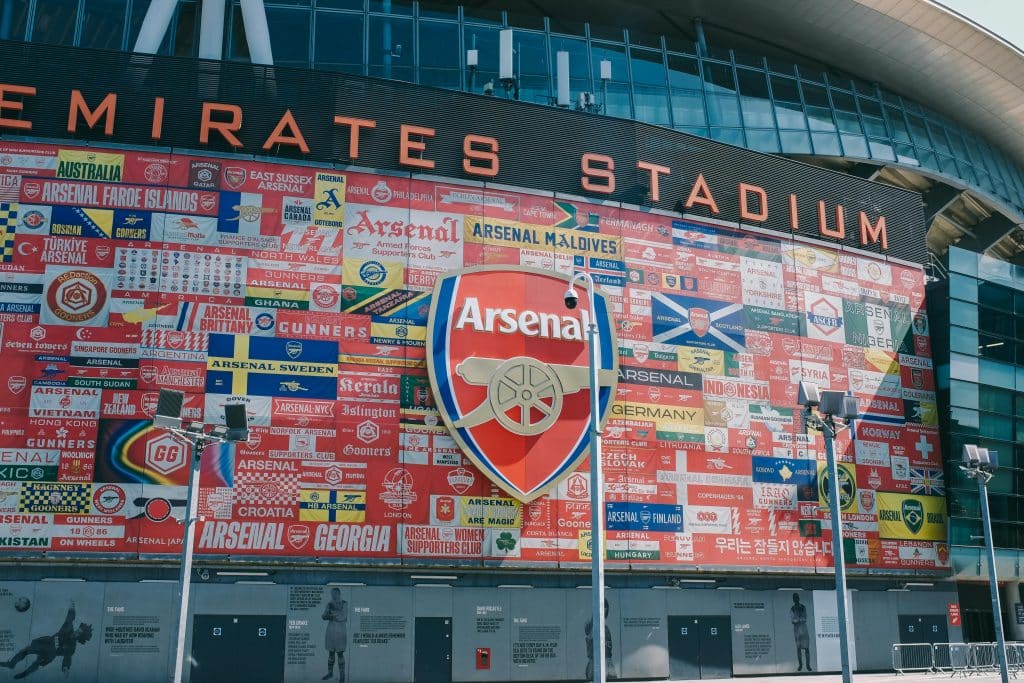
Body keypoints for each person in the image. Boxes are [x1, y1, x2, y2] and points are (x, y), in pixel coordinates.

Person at [0, 601, 93, 679]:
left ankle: (24, 674)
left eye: (79, 634)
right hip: (45, 643)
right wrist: (72, 607)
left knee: (36, 664)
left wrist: (66, 668)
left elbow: (67, 659)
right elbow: (70, 618)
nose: (76, 632)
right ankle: (11, 664)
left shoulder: (72, 647)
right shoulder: (68, 628)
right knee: (25, 650)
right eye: (78, 630)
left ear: (79, 638)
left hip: (49, 655)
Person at [584, 599, 616, 680]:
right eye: (602, 608)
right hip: (595, 661)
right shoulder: (591, 624)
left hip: (608, 660)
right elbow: (589, 632)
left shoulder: (606, 628)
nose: (604, 611)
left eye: (605, 608)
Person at [321, 588, 348, 682]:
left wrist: (331, 615)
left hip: (340, 631)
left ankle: (342, 677)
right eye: (332, 593)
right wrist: (332, 615)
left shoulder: (344, 603)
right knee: (331, 653)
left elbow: (343, 617)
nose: (333, 595)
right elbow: (323, 616)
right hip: (331, 630)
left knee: (340, 653)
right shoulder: (329, 604)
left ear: (339, 593)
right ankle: (330, 673)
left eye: (335, 593)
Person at [791, 593, 811, 672]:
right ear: (793, 599)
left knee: (807, 648)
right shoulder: (792, 609)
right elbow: (792, 620)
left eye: (797, 597)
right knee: (798, 648)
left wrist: (798, 620)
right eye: (794, 598)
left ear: (799, 598)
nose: (795, 599)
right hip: (797, 631)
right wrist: (798, 619)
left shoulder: (803, 607)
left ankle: (808, 665)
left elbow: (804, 618)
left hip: (804, 629)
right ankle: (800, 665)